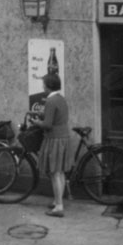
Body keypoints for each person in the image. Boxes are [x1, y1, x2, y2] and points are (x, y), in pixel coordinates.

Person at [30, 73, 74, 218]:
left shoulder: (50, 101)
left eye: (44, 84)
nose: (43, 87)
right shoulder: (61, 99)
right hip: (63, 137)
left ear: (48, 86)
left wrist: (36, 122)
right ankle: (57, 201)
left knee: (54, 173)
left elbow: (47, 125)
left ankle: (59, 207)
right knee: (60, 172)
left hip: (54, 139)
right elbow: (57, 118)